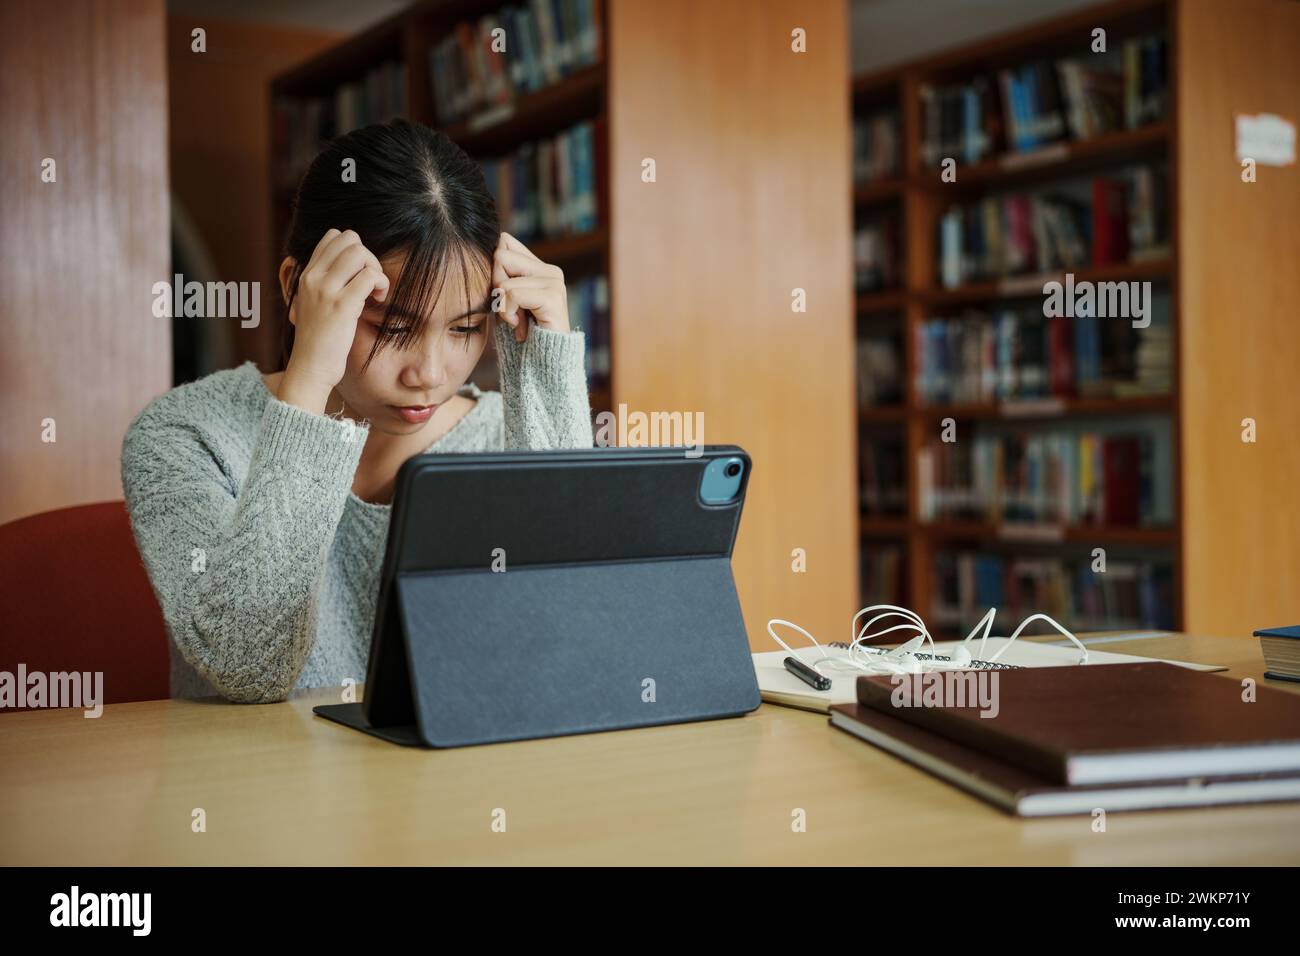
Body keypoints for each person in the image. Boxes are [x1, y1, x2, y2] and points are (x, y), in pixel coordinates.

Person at [121, 119, 593, 703]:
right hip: (251, 789)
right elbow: (248, 666)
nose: (431, 372)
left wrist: (546, 377)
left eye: (466, 328)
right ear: (299, 287)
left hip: (458, 787)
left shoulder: (506, 436)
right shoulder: (185, 435)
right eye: (392, 326)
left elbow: (574, 647)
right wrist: (310, 381)